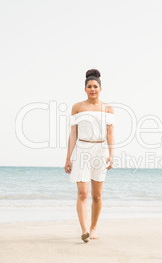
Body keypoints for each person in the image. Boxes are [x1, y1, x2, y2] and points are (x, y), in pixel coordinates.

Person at [64, 69, 115, 243]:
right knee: (83, 194)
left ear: (100, 88)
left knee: (97, 195)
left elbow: (110, 133)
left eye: (95, 86)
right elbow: (73, 133)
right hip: (82, 150)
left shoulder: (108, 108)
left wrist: (111, 154)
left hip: (100, 151)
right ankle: (84, 230)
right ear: (85, 89)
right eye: (89, 86)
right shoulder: (77, 107)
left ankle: (93, 228)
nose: (92, 89)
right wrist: (68, 157)